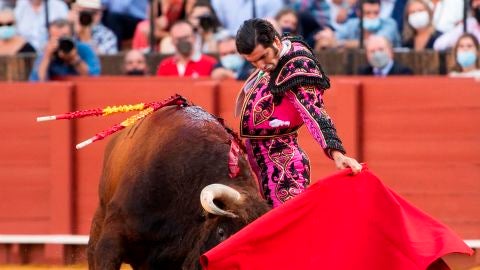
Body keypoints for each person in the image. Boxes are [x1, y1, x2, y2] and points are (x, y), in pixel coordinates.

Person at [234, 19, 362, 208]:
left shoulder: (298, 69)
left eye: (263, 57)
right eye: (253, 62)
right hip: (260, 156)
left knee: (286, 226)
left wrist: (337, 154)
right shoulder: (280, 50)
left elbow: (314, 112)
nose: (260, 65)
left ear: (276, 42)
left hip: (282, 163)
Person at [29, 19, 101, 81]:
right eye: (56, 38)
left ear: (72, 36)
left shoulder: (84, 49)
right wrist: (47, 57)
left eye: (64, 38)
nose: (61, 43)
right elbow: (37, 81)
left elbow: (94, 78)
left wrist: (75, 59)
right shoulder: (47, 51)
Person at [335, 0, 401, 48]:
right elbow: (334, 39)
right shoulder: (351, 24)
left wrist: (342, 44)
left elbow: (376, 43)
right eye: (367, 13)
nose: (372, 17)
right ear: (359, 14)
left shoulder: (390, 24)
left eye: (376, 13)